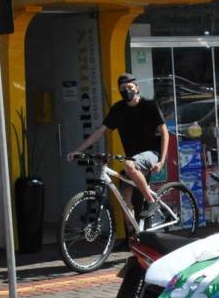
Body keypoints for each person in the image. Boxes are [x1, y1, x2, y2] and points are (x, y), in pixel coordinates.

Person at [68, 73, 169, 219]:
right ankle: (134, 232)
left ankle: (151, 201)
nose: (126, 90)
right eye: (122, 88)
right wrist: (78, 150)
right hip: (132, 159)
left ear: (137, 88)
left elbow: (165, 132)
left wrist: (162, 160)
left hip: (152, 154)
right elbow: (100, 131)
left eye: (130, 87)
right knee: (125, 200)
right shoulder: (118, 109)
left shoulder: (149, 105)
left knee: (129, 165)